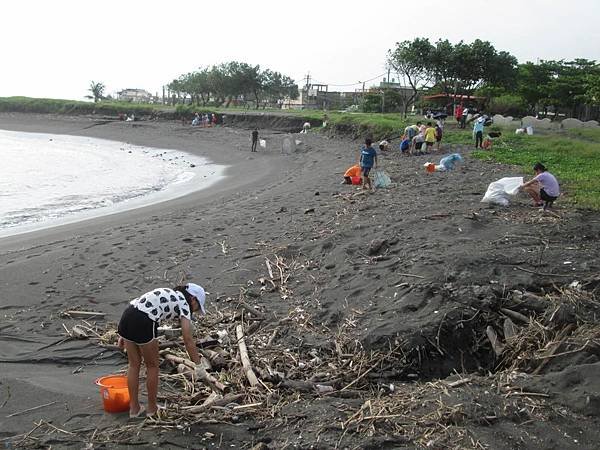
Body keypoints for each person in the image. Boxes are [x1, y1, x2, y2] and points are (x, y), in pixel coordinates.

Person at [117, 283, 206, 418]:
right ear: (193, 299)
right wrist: (199, 366)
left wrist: (122, 334)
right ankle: (152, 408)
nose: (195, 311)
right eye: (197, 307)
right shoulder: (185, 304)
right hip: (144, 319)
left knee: (134, 364)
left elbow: (138, 304)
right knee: (152, 366)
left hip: (127, 315)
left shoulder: (170, 294)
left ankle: (134, 409)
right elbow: (188, 339)